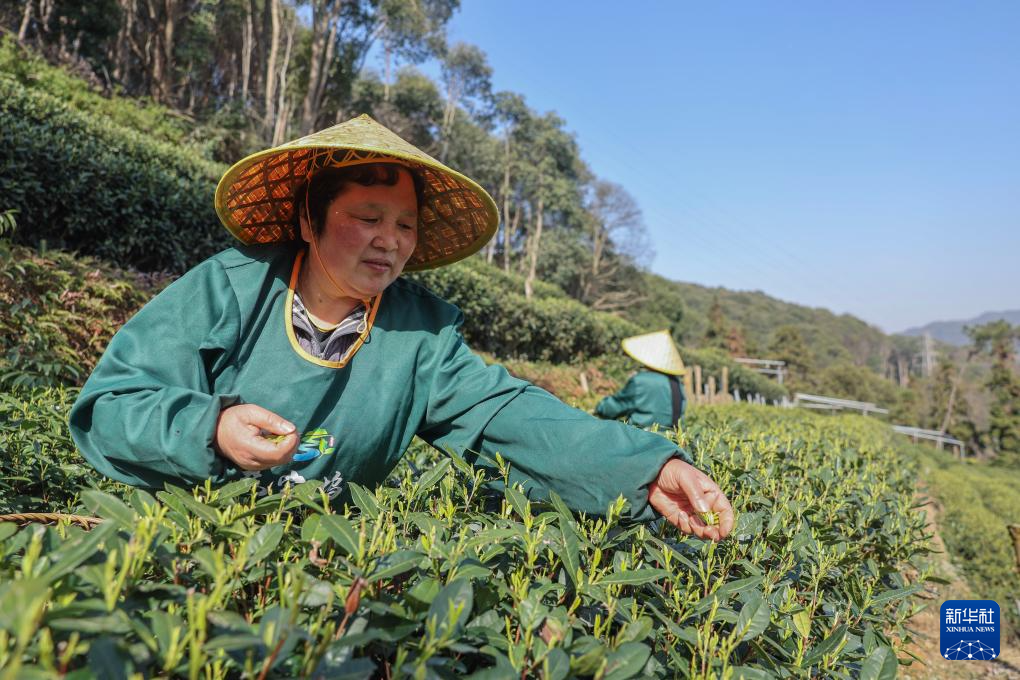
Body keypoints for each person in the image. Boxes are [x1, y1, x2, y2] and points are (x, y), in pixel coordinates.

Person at [69, 115, 733, 540]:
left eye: (406, 225)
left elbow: (511, 418)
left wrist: (649, 468)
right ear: (309, 220)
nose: (389, 241)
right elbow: (111, 408)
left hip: (313, 563)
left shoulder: (421, 335)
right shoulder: (227, 289)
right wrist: (211, 428)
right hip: (176, 543)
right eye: (367, 216)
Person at [596, 330, 688, 430]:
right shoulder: (677, 383)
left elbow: (612, 408)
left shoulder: (641, 381)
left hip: (640, 439)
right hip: (670, 440)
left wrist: (600, 407)